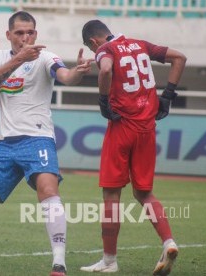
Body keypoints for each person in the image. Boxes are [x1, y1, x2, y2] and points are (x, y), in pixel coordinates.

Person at [0, 11, 93, 276]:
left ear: (36, 34)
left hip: (37, 138)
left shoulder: (45, 56)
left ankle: (59, 263)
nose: (25, 37)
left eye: (30, 32)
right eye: (19, 33)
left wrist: (79, 72)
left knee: (47, 188)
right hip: (6, 142)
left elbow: (65, 76)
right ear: (9, 35)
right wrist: (19, 59)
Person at [79, 20, 186, 275]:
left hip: (121, 127)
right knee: (144, 193)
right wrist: (168, 95)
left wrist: (104, 101)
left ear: (94, 42)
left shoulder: (106, 50)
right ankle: (168, 241)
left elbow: (105, 70)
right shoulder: (140, 45)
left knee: (111, 196)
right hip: (147, 129)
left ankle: (109, 260)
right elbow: (180, 58)